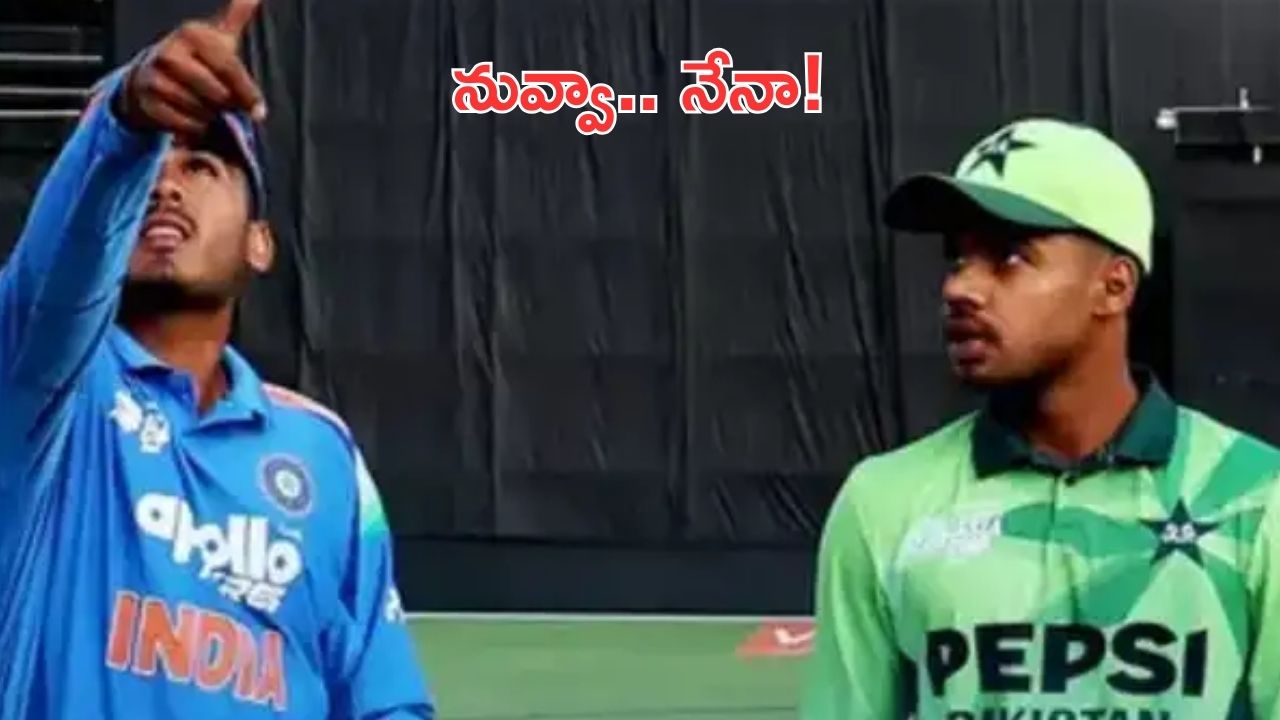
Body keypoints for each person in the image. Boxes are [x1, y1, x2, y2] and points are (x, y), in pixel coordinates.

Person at [0, 1, 434, 718]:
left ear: (260, 243)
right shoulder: (40, 386)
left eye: (201, 164)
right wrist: (126, 124)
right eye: (149, 167)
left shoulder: (321, 450)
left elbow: (382, 697)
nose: (165, 185)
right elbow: (58, 274)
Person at [800, 118, 1280, 719]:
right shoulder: (881, 503)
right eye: (957, 259)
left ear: (1114, 286)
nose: (960, 288)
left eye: (1009, 257)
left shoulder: (1260, 499)